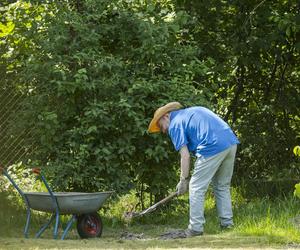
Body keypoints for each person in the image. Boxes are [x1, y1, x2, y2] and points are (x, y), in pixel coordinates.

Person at [148, 102, 240, 237]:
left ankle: (195, 228)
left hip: (212, 146)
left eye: (160, 125)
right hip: (230, 142)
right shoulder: (190, 112)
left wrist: (184, 180)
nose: (162, 130)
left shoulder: (175, 124)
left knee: (196, 187)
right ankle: (227, 225)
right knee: (222, 186)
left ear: (166, 116)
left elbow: (185, 156)